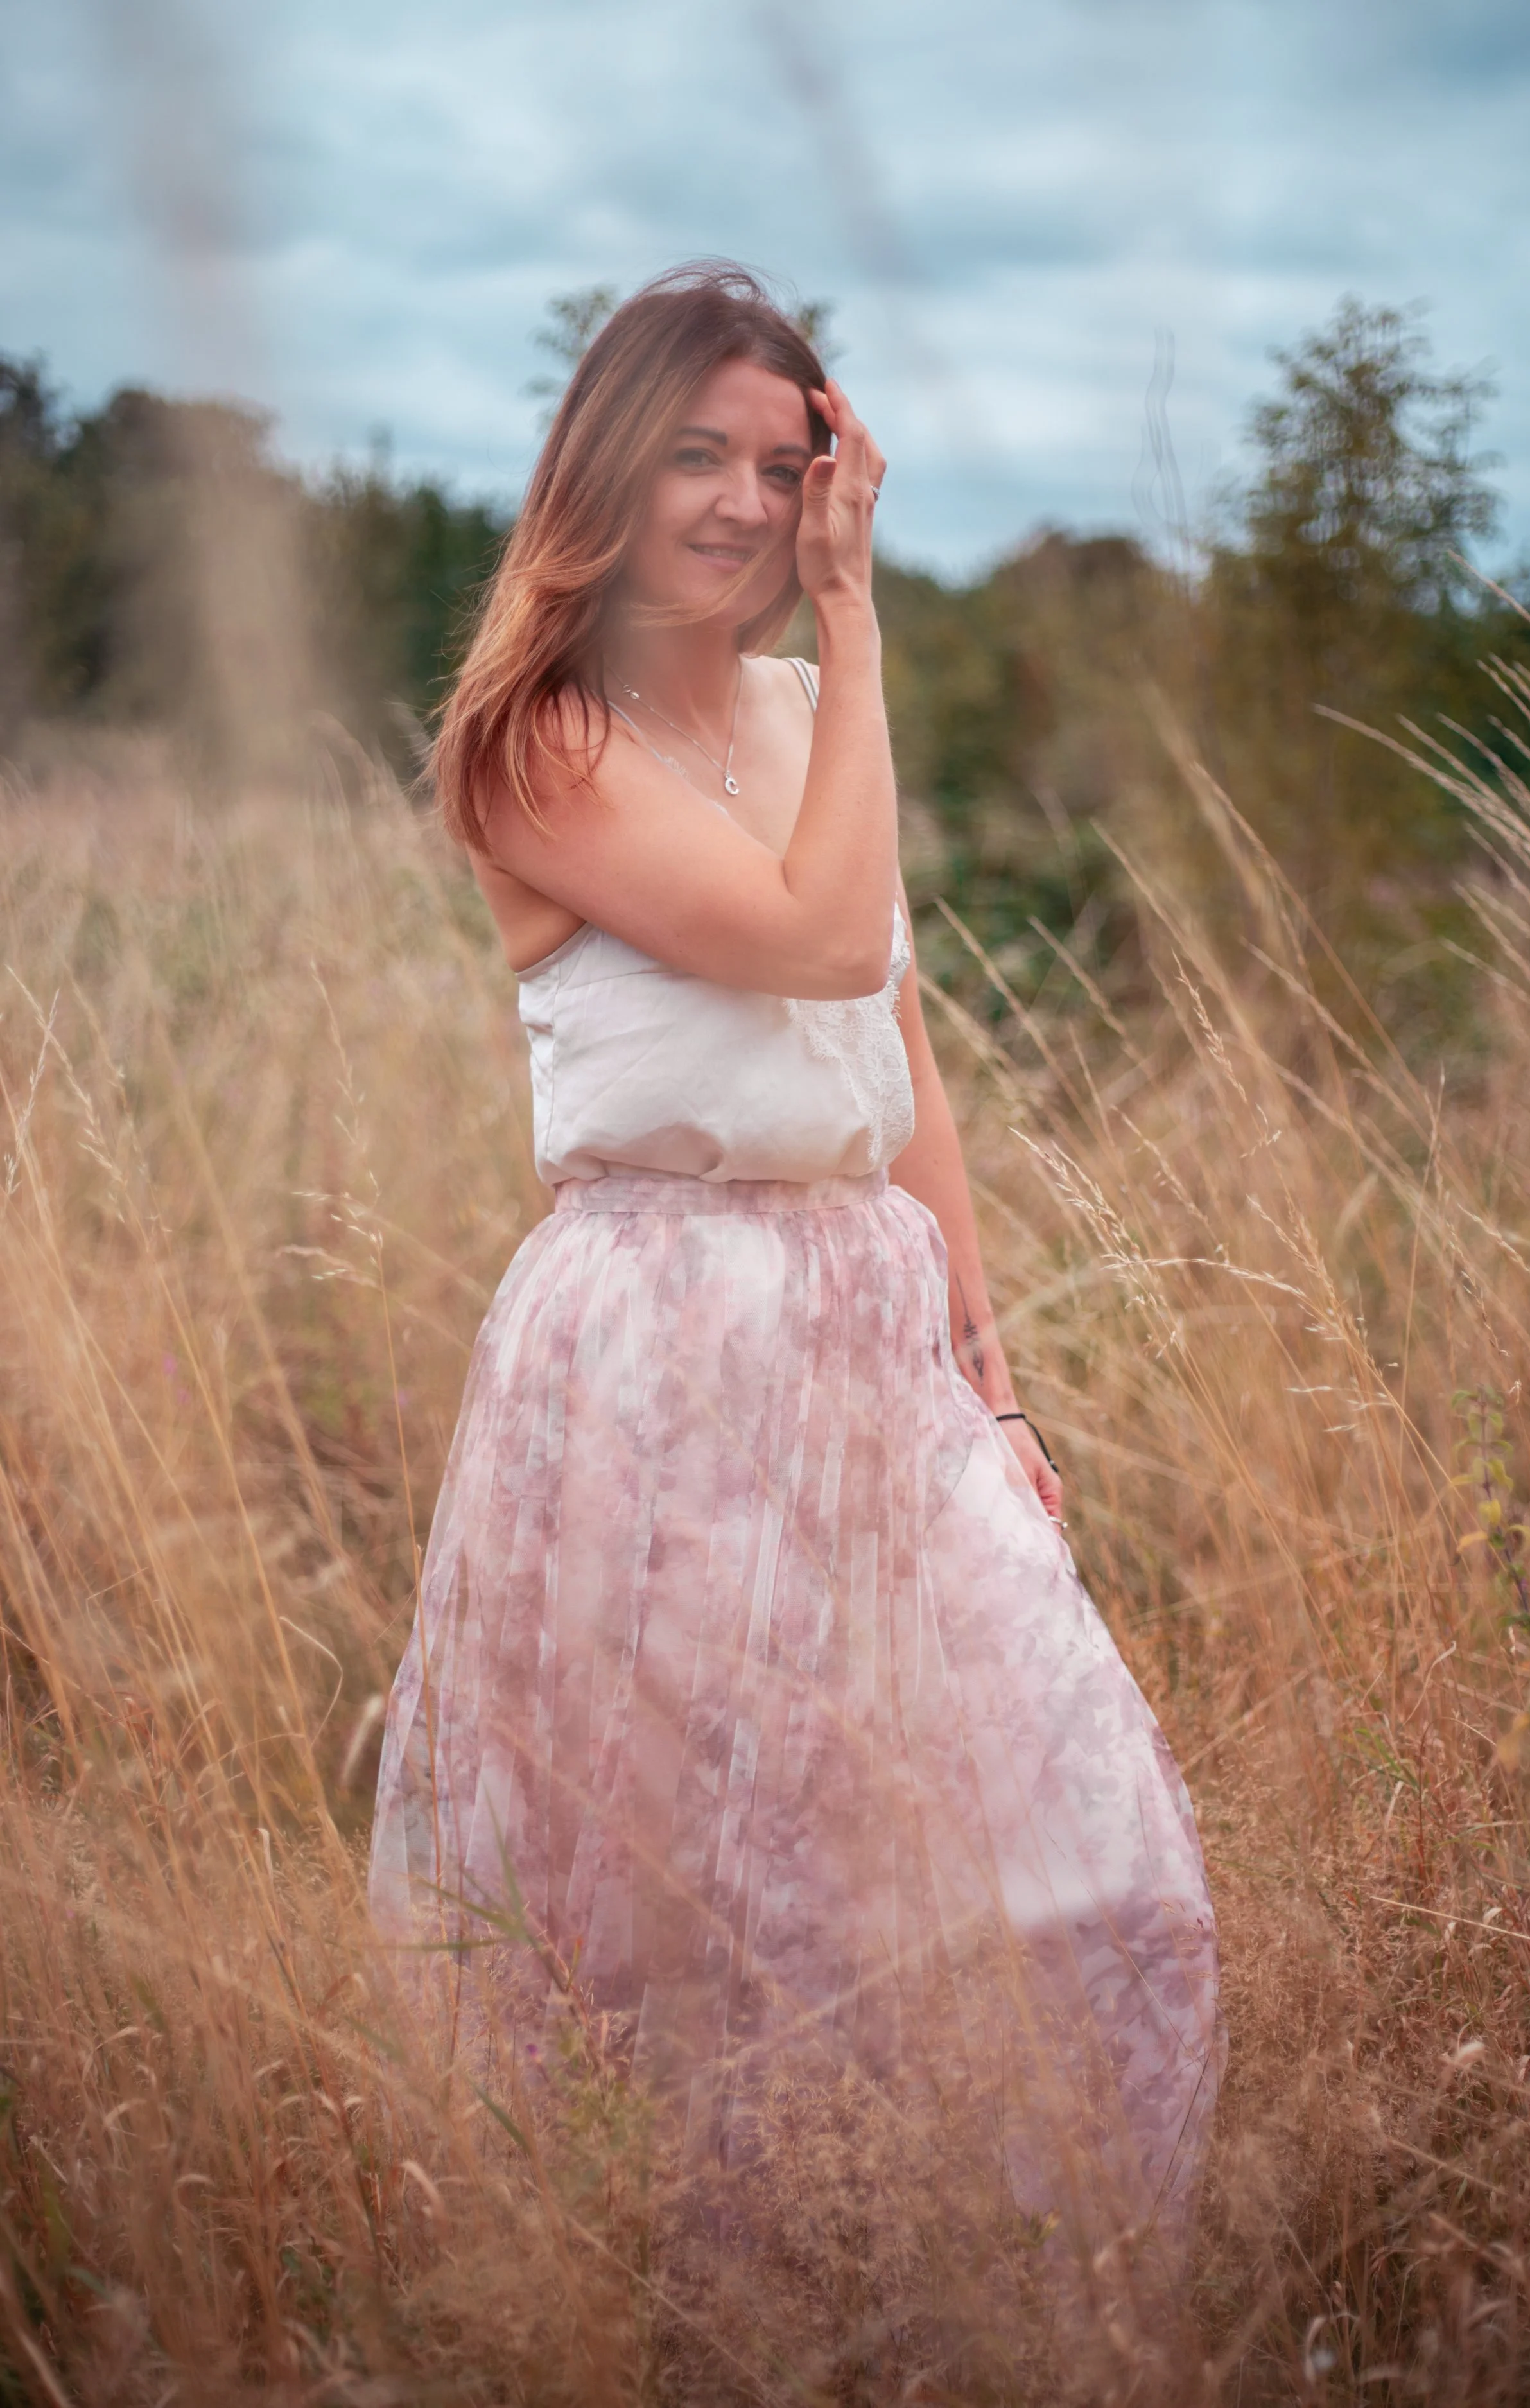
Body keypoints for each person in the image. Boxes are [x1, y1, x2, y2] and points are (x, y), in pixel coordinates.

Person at [368, 263, 1219, 2239]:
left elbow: (891, 1032)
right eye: (696, 456)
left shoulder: (810, 715)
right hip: (659, 1339)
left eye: (784, 462)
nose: (748, 503)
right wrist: (856, 612)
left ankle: (1001, 2262)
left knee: (1073, 1836)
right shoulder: (538, 744)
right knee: (690, 1897)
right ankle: (684, 2293)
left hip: (871, 1332)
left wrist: (987, 1373)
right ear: (602, 467)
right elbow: (818, 940)